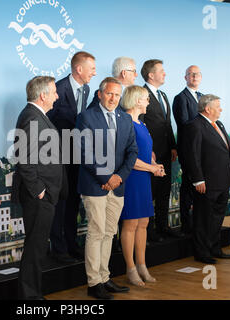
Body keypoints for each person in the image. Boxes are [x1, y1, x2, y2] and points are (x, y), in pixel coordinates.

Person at [76, 77, 138, 300]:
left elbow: (132, 152)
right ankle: (93, 283)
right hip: (95, 185)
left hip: (117, 187)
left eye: (117, 95)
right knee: (96, 232)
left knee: (110, 233)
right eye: (109, 94)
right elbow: (84, 152)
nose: (113, 98)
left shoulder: (124, 118)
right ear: (100, 94)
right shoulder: (86, 117)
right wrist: (105, 176)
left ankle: (104, 277)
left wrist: (118, 178)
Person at [12, 76, 67, 300]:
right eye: (54, 92)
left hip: (44, 195)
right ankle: (30, 297)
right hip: (38, 196)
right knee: (35, 248)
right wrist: (39, 189)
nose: (57, 96)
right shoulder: (31, 117)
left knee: (37, 247)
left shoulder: (36, 116)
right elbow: (24, 158)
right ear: (43, 95)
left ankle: (33, 294)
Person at [47, 51, 96, 262]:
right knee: (59, 204)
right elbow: (45, 125)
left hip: (78, 156)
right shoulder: (57, 89)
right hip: (58, 157)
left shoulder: (86, 89)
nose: (94, 73)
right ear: (79, 69)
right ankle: (58, 249)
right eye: (92, 68)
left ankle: (71, 244)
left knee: (73, 202)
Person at [119, 85, 165, 286]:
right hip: (131, 179)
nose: (148, 102)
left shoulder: (142, 124)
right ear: (137, 100)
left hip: (144, 177)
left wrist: (155, 165)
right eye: (146, 98)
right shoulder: (126, 123)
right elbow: (128, 159)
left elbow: (146, 153)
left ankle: (142, 265)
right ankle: (130, 268)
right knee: (130, 224)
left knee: (143, 223)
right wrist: (151, 168)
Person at [185, 94, 230, 264]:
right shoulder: (195, 126)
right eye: (218, 106)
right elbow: (193, 155)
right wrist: (198, 180)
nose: (221, 109)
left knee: (217, 217)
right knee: (203, 218)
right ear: (207, 109)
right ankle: (202, 252)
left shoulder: (218, 124)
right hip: (206, 182)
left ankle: (214, 248)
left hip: (222, 180)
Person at [140, 59, 181, 241]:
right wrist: (147, 150)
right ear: (151, 75)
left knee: (164, 191)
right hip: (150, 154)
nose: (165, 74)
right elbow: (139, 123)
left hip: (166, 152)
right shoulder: (141, 94)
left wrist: (173, 146)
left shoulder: (163, 95)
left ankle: (163, 227)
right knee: (150, 192)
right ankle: (148, 232)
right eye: (161, 71)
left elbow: (167, 124)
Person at [172, 65, 203, 235]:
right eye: (191, 74)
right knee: (188, 186)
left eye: (197, 74)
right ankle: (186, 224)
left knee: (199, 187)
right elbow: (184, 124)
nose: (194, 77)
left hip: (202, 150)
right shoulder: (180, 98)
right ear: (185, 78)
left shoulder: (203, 97)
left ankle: (199, 223)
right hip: (188, 149)